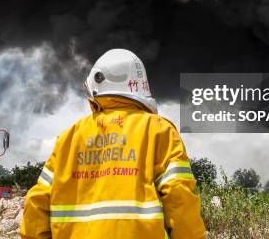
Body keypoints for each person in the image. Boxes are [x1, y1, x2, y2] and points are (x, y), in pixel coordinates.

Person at [21, 49, 206, 239]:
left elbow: (37, 201)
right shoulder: (160, 130)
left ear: (96, 85)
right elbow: (179, 196)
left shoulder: (69, 138)